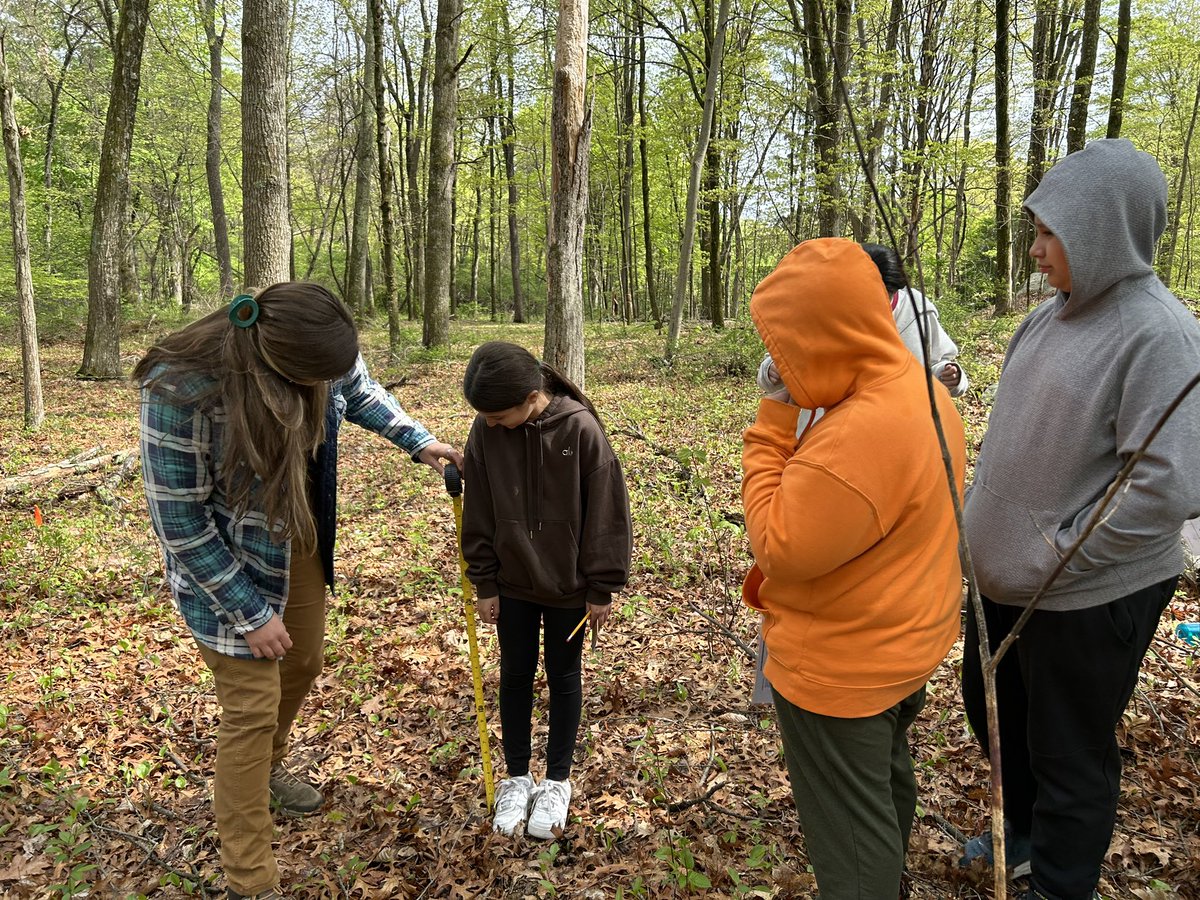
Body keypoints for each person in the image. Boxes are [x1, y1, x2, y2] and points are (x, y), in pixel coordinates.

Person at [136, 283, 462, 900]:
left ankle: (267, 770)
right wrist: (249, 614)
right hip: (222, 564)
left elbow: (360, 392)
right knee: (251, 707)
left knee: (304, 661)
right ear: (276, 362)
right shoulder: (179, 386)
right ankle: (249, 880)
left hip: (294, 533)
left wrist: (418, 441)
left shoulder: (320, 347)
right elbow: (179, 521)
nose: (329, 384)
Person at [959, 139, 1200, 900]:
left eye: (1048, 234)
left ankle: (1060, 884)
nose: (1034, 252)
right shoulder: (1044, 322)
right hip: (1008, 587)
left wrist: (1052, 553)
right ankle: (1025, 842)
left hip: (1086, 595)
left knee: (1069, 752)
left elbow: (1164, 488)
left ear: (1103, 230)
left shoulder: (1160, 334)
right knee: (996, 714)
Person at [741, 238, 966, 898]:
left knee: (851, 841)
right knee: (882, 791)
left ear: (830, 334)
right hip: (901, 643)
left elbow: (777, 544)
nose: (779, 358)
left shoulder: (857, 435)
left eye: (788, 342)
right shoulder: (921, 391)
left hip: (841, 669)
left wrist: (773, 421)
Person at [459, 341, 632, 840]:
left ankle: (557, 781)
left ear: (532, 396)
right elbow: (480, 510)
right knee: (514, 676)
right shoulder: (485, 432)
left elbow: (606, 511)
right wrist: (484, 581)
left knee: (563, 676)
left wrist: (602, 586)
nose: (490, 423)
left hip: (569, 589)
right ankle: (517, 777)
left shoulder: (579, 429)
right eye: (484, 416)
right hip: (511, 585)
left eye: (497, 414)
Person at [757, 242, 968, 434]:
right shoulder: (828, 308)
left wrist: (949, 375)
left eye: (884, 294)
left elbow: (939, 362)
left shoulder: (918, 312)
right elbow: (782, 364)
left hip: (902, 429)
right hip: (828, 433)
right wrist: (771, 371)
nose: (875, 303)